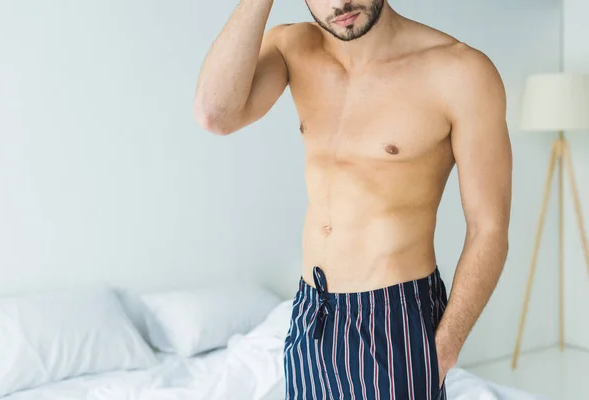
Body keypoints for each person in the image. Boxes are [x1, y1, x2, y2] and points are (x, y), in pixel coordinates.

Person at [193, 0, 512, 398]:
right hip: (312, 310)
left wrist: (441, 352)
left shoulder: (459, 72)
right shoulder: (295, 47)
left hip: (394, 317)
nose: (339, 2)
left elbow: (489, 228)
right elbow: (215, 115)